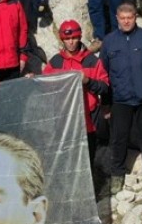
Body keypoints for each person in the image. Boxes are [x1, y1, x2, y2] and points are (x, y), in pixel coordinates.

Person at [100, 3, 142, 191]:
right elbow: (103, 74)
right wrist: (106, 103)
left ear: (136, 17)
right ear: (117, 19)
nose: (126, 21)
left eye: (130, 17)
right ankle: (117, 173)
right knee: (119, 138)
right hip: (120, 99)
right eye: (122, 18)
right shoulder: (109, 41)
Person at [42, 20, 110, 161]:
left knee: (88, 157)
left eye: (73, 38)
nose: (71, 42)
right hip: (64, 118)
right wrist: (32, 79)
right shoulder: (55, 62)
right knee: (68, 158)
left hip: (88, 118)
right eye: (67, 39)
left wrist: (88, 81)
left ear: (79, 37)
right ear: (62, 40)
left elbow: (104, 87)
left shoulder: (92, 61)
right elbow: (44, 87)